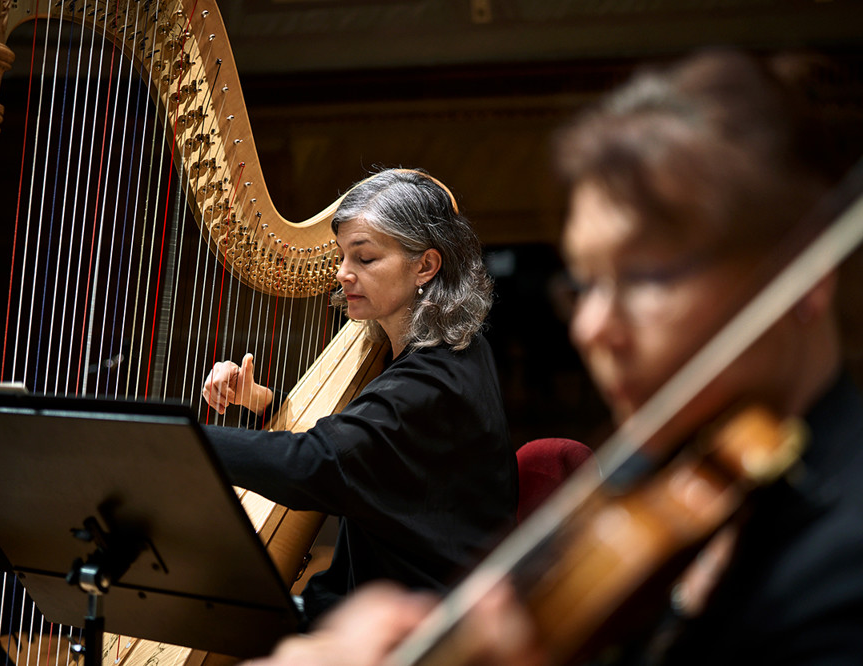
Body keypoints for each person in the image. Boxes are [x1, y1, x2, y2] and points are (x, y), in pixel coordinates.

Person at [239, 49, 863, 665]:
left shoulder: (840, 570)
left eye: (645, 278)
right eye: (586, 284)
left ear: (801, 278)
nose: (592, 326)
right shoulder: (683, 488)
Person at [200, 168, 519, 625]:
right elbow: (365, 445)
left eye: (364, 259)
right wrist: (262, 405)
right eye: (341, 256)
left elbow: (311, 465)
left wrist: (181, 439)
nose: (342, 274)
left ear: (425, 266)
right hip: (374, 606)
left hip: (418, 633)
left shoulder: (432, 384)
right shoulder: (451, 350)